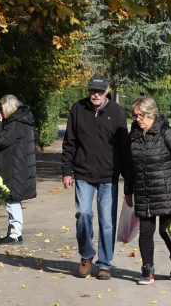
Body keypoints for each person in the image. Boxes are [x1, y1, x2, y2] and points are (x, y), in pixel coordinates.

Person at [62, 74, 131, 280]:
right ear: (88, 91)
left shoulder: (117, 112)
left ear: (107, 91)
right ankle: (86, 255)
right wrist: (66, 171)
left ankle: (104, 264)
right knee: (83, 214)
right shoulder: (77, 109)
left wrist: (128, 180)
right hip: (83, 173)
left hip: (109, 176)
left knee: (107, 221)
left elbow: (124, 149)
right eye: (92, 90)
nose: (96, 94)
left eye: (100, 91)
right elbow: (69, 142)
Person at [124, 97, 171, 285]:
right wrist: (128, 191)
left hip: (167, 190)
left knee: (166, 230)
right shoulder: (134, 134)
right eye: (135, 115)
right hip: (143, 191)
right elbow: (130, 166)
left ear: (152, 113)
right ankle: (147, 270)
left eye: (142, 115)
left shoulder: (167, 133)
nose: (138, 119)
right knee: (145, 231)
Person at [0, 95, 37, 245]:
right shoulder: (23, 120)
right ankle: (15, 232)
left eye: (2, 109)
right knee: (13, 199)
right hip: (20, 165)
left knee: (12, 200)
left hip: (15, 167)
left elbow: (1, 140)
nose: (0, 112)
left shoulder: (15, 123)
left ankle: (15, 234)